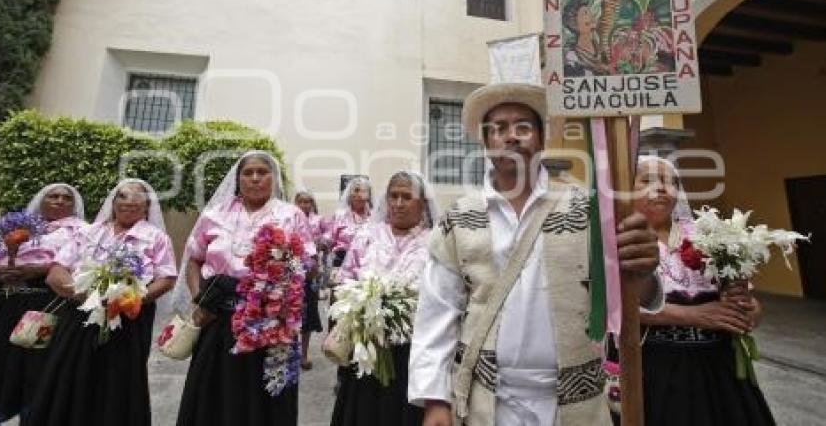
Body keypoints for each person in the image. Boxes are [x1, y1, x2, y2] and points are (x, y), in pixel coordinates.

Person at [408, 82, 662, 426]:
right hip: (486, 404)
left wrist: (643, 268)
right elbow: (437, 312)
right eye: (498, 129)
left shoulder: (588, 209)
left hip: (576, 406)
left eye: (523, 127)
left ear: (542, 139)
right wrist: (436, 400)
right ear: (485, 143)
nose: (511, 137)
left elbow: (627, 295)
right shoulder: (459, 218)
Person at [174, 151, 314, 426]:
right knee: (213, 393)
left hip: (270, 320)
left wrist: (282, 284)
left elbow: (307, 264)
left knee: (264, 399)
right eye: (247, 173)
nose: (254, 178)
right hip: (217, 317)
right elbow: (194, 260)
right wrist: (197, 300)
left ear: (274, 178)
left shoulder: (290, 215)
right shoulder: (215, 214)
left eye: (262, 172)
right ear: (237, 179)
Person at [634, 156, 775, 426]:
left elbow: (751, 305)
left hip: (721, 369)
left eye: (671, 182)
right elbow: (613, 307)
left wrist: (746, 311)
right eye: (648, 180)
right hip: (656, 368)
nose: (663, 188)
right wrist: (695, 316)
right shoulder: (617, 238)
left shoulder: (706, 236)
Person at [26, 179, 177, 426]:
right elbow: (56, 271)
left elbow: (167, 277)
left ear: (146, 207)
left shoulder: (156, 238)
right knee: (71, 370)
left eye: (137, 199)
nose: (129, 203)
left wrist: (133, 299)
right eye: (123, 197)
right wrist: (84, 295)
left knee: (118, 378)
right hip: (80, 314)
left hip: (129, 319)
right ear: (112, 202)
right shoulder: (89, 233)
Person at [330, 171, 439, 426]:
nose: (399, 204)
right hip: (366, 351)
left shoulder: (434, 243)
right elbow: (345, 278)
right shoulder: (368, 235)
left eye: (407, 197)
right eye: (394, 196)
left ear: (422, 203)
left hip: (410, 355)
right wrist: (357, 306)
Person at [0, 184, 86, 425]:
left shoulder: (81, 231)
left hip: (45, 308)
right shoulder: (18, 225)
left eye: (67, 198)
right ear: (41, 200)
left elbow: (75, 264)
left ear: (74, 205)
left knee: (36, 370)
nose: (59, 201)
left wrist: (34, 270)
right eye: (53, 196)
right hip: (4, 306)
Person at [293, 189, 324, 370]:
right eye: (301, 201)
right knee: (291, 313)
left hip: (310, 273)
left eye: (308, 202)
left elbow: (328, 238)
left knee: (308, 314)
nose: (304, 205)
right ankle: (292, 351)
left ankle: (304, 353)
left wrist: (322, 242)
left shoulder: (318, 221)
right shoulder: (289, 218)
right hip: (291, 272)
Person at [562, 0, 608, 77]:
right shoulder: (572, 59)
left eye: (589, 11)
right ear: (574, 25)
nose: (591, 15)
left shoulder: (601, 51)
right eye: (585, 13)